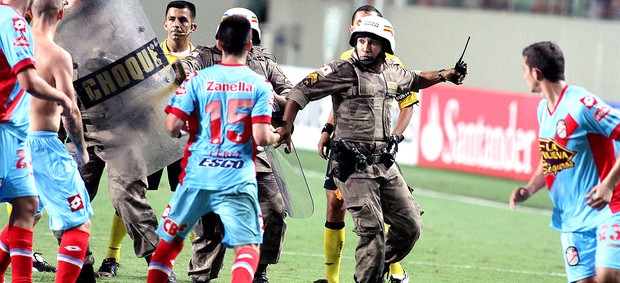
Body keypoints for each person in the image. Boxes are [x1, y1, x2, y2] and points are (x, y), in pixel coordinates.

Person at [276, 15, 466, 283]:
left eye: (372, 42)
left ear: (385, 46)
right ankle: (368, 276)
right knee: (372, 230)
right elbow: (300, 92)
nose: (365, 47)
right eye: (361, 41)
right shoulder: (341, 69)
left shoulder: (391, 70)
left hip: (384, 165)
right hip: (352, 167)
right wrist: (286, 126)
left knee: (411, 226)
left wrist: (445, 74)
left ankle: (372, 269)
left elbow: (416, 79)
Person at [146, 14, 280, 283]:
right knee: (247, 249)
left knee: (167, 248)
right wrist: (280, 135)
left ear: (218, 43)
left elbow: (171, 126)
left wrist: (191, 129)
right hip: (237, 179)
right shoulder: (259, 85)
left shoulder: (197, 79)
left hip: (198, 176)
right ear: (250, 45)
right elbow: (262, 137)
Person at [314, 5, 416, 283]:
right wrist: (327, 127)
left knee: (380, 209)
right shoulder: (347, 60)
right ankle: (332, 278)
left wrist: (395, 138)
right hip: (344, 149)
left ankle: (391, 270)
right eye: (361, 28)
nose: (366, 40)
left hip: (376, 152)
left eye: (373, 31)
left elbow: (408, 105)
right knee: (335, 206)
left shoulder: (393, 65)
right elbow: (342, 100)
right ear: (352, 30)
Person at [96, 0, 197, 278]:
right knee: (131, 193)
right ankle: (111, 257)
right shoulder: (148, 56)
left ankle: (183, 261)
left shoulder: (200, 60)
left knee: (187, 200)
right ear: (164, 24)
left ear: (193, 27)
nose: (177, 24)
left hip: (183, 142)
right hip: (148, 136)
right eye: (172, 19)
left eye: (183, 20)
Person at [509, 41, 620, 283]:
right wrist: (529, 188)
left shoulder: (582, 105)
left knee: (608, 275)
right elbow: (552, 156)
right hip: (571, 219)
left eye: (524, 69)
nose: (524, 75)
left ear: (536, 73)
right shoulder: (543, 110)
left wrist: (609, 184)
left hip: (608, 210)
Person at [0, 0, 74, 282]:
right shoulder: (13, 21)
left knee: (28, 205)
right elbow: (28, 80)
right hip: (3, 130)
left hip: (15, 135)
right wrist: (63, 98)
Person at [26, 0, 94, 282]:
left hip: (14, 142)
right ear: (62, 14)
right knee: (80, 224)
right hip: (43, 145)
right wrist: (81, 151)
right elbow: (71, 111)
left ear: (29, 11)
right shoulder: (57, 56)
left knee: (26, 218)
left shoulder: (11, 47)